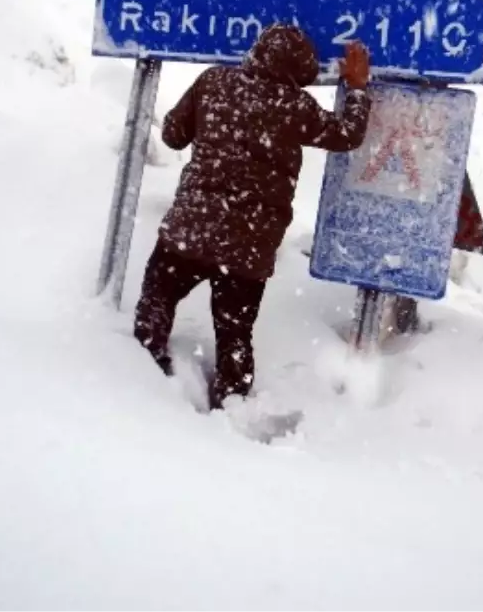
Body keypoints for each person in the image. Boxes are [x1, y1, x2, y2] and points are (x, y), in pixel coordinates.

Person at [134, 23, 372, 410]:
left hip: (190, 231)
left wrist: (208, 123)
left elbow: (173, 135)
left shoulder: (214, 82)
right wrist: (358, 89)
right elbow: (347, 136)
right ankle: (233, 408)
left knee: (156, 304)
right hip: (248, 248)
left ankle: (139, 380)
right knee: (235, 335)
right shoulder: (296, 106)